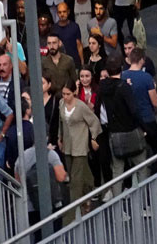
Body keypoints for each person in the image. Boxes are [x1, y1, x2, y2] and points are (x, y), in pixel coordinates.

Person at [57, 80, 101, 222]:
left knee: (75, 181)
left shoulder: (81, 107)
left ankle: (71, 214)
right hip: (68, 145)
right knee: (78, 174)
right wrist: (60, 137)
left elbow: (94, 122)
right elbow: (61, 122)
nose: (65, 97)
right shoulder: (61, 104)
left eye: (68, 94)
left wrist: (94, 138)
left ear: (74, 92)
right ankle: (88, 193)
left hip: (80, 144)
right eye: (63, 94)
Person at [98, 56, 144, 191]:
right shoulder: (124, 87)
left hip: (114, 134)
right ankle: (146, 202)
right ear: (121, 69)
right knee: (142, 167)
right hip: (131, 132)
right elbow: (134, 110)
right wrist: (144, 128)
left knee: (117, 172)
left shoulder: (103, 88)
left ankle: (117, 204)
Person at [16, 129, 69, 232]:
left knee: (37, 235)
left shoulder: (22, 157)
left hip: (31, 206)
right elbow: (61, 177)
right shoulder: (51, 155)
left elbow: (18, 180)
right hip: (53, 203)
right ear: (47, 137)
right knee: (56, 233)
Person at [121, 47, 157, 174]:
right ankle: (153, 176)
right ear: (142, 60)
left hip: (129, 122)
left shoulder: (123, 76)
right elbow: (155, 102)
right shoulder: (146, 78)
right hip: (147, 119)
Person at [40, 34, 77, 99]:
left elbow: (74, 79)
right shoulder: (43, 62)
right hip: (50, 97)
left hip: (66, 96)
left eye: (54, 43)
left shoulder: (68, 60)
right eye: (49, 43)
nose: (51, 46)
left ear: (59, 43)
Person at [51, 2, 85, 66]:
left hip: (74, 62)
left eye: (64, 12)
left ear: (68, 12)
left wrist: (82, 61)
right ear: (57, 13)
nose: (62, 14)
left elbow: (79, 45)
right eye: (60, 12)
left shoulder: (75, 26)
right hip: (59, 63)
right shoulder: (54, 28)